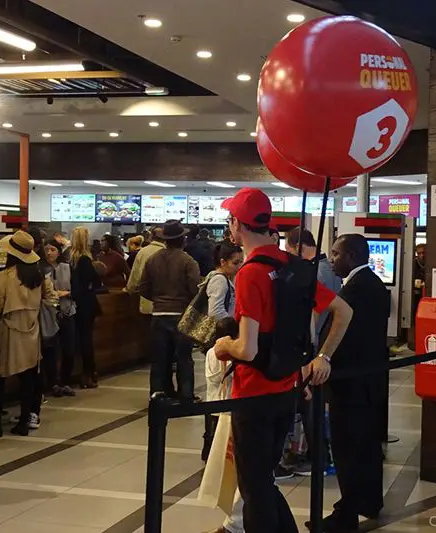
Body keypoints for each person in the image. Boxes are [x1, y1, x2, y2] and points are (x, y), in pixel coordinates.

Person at [214, 188, 353, 533]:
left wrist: (223, 346)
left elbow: (247, 349)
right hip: (287, 388)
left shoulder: (250, 273)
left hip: (253, 393)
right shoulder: (295, 267)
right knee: (263, 480)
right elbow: (343, 311)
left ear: (237, 225)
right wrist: (324, 356)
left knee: (254, 486)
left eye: (230, 219)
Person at [317, 234, 392, 532]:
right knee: (368, 445)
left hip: (350, 385)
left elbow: (345, 337)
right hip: (371, 382)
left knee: (348, 449)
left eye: (336, 253)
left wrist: (323, 358)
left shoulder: (355, 291)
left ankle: (345, 513)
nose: (332, 258)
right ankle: (370, 501)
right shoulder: (374, 285)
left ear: (350, 256)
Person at [284, 227, 342, 475]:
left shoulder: (314, 273)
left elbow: (314, 317)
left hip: (313, 349)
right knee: (314, 406)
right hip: (322, 346)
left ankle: (317, 457)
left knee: (311, 407)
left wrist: (309, 349)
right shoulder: (327, 268)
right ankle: (318, 455)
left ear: (297, 246)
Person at [0, 231, 58, 437]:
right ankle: (24, 422)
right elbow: (52, 299)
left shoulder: (2, 277)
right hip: (31, 330)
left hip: (7, 330)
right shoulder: (39, 276)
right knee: (28, 379)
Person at [138, 220, 200, 400]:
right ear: (182, 239)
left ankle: (159, 393)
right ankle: (186, 394)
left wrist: (158, 299)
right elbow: (195, 289)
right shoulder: (188, 261)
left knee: (159, 358)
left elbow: (142, 287)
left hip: (158, 314)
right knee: (183, 357)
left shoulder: (152, 259)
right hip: (180, 314)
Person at [201, 241, 243, 461]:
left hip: (224, 336)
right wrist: (232, 328)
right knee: (218, 388)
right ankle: (212, 444)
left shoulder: (223, 279)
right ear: (223, 262)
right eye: (235, 262)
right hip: (222, 337)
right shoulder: (220, 281)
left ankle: (212, 443)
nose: (239, 266)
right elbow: (215, 310)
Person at [203, 317, 244, 533]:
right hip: (229, 409)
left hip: (227, 409)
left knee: (237, 470)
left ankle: (236, 524)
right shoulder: (227, 352)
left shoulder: (224, 351)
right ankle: (235, 523)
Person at [70, 227, 103, 389]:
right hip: (85, 303)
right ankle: (89, 373)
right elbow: (96, 280)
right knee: (86, 340)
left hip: (72, 302)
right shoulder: (84, 259)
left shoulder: (69, 258)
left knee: (75, 340)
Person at [44, 239, 76, 397]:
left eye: (52, 249)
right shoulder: (41, 269)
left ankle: (65, 381)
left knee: (68, 349)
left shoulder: (67, 267)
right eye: (47, 249)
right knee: (50, 351)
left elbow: (76, 288)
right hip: (49, 314)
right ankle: (53, 383)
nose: (49, 252)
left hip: (67, 311)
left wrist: (67, 293)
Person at [125, 227, 165, 315]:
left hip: (146, 302)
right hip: (167, 306)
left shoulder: (143, 252)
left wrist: (129, 290)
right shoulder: (171, 252)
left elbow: (134, 277)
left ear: (151, 237)